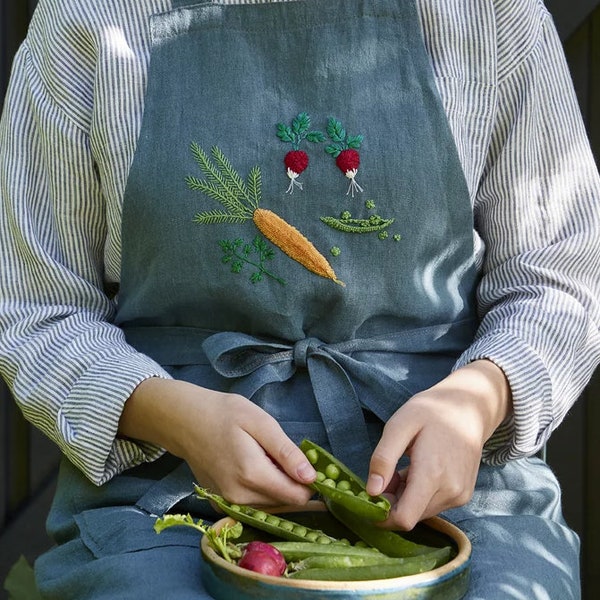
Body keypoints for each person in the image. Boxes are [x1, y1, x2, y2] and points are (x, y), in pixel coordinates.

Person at [1, 0, 598, 597]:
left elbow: (560, 273)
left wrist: (476, 401)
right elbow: (37, 310)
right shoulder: (89, 19)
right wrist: (174, 417)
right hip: (171, 494)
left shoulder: (488, 15)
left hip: (450, 490)